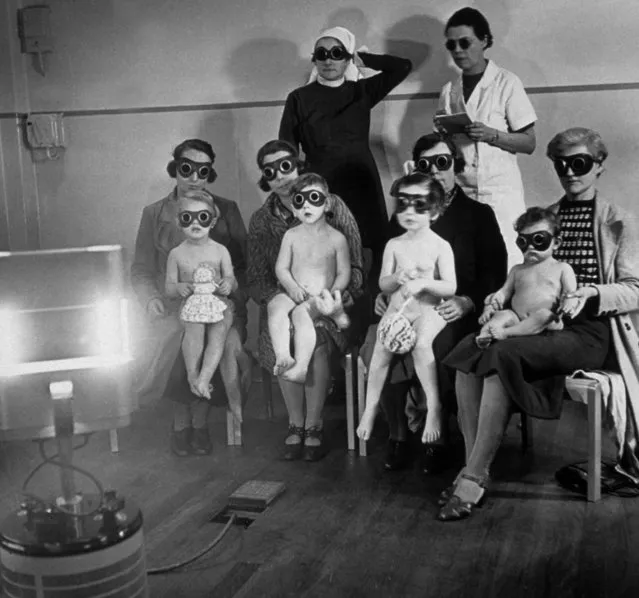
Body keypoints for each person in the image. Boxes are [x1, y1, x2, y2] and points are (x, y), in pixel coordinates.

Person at [438, 127, 639, 521]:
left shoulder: (619, 221)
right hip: (538, 326)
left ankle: (474, 477)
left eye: (579, 163)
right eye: (561, 165)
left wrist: (593, 294)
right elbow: (524, 281)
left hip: (590, 332)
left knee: (502, 353)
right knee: (469, 353)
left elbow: (634, 289)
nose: (570, 172)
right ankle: (471, 467)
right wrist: (499, 301)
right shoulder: (547, 219)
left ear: (599, 166)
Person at [361, 133, 507, 472]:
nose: (434, 171)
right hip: (404, 307)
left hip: (452, 311)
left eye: (442, 162)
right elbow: (383, 268)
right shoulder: (405, 213)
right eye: (425, 164)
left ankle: (437, 437)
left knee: (437, 343)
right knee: (376, 344)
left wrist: (468, 302)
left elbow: (495, 273)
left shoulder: (479, 214)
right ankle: (397, 434)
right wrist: (381, 296)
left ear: (456, 165)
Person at [131, 138, 250, 457]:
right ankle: (181, 423)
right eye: (187, 168)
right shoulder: (154, 213)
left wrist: (232, 297)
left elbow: (243, 267)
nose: (194, 176)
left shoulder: (227, 210)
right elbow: (141, 270)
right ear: (175, 169)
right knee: (175, 339)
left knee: (216, 339)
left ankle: (198, 424)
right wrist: (151, 299)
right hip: (171, 307)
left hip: (219, 306)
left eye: (203, 170)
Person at [247, 139, 364, 461]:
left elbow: (354, 264)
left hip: (331, 301)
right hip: (285, 299)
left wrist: (337, 299)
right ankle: (294, 424)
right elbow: (258, 276)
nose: (280, 175)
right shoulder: (262, 219)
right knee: (282, 331)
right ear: (265, 179)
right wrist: (284, 298)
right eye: (270, 172)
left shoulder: (334, 205)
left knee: (319, 341)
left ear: (299, 165)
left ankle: (313, 425)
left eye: (286, 165)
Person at [279, 25, 412, 289]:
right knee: (325, 252)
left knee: (371, 247)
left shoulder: (361, 91)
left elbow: (403, 67)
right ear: (314, 59)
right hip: (321, 184)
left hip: (361, 181)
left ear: (347, 58)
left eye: (337, 53)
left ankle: (372, 310)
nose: (328, 59)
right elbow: (287, 148)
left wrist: (365, 59)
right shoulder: (298, 98)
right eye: (322, 53)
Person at [357, 174, 456, 445]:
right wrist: (396, 280)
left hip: (428, 310)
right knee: (380, 351)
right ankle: (370, 408)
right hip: (399, 310)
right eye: (403, 204)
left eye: (419, 205)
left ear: (434, 211)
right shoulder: (394, 245)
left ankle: (434, 407)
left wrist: (424, 282)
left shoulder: (440, 246)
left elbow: (450, 286)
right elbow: (383, 283)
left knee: (422, 345)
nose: (409, 212)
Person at [435, 7, 537, 270]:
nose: (458, 50)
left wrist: (492, 135)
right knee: (466, 266)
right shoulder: (449, 91)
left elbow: (528, 142)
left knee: (505, 264)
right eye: (451, 45)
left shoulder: (506, 83)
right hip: (463, 193)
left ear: (484, 41)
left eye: (465, 42)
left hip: (500, 194)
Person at [269, 173, 351, 383]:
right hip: (294, 291)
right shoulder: (291, 235)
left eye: (314, 198)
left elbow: (344, 272)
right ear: (294, 208)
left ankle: (301, 367)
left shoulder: (337, 238)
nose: (307, 206)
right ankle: (283, 355)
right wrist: (291, 286)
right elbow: (282, 268)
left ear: (327, 204)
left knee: (299, 314)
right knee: (275, 306)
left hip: (320, 296)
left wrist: (332, 292)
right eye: (300, 200)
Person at [165, 191, 239, 415]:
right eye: (188, 218)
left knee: (220, 329)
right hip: (192, 305)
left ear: (213, 221)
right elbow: (168, 289)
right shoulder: (176, 254)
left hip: (218, 304)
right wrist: (178, 287)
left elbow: (232, 280)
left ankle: (204, 377)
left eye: (203, 217)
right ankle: (192, 376)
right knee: (194, 330)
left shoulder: (220, 250)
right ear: (179, 221)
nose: (196, 223)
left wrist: (228, 283)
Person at [475, 207, 576, 348]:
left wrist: (570, 300)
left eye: (539, 239)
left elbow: (571, 292)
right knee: (503, 314)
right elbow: (504, 292)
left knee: (543, 314)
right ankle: (485, 335)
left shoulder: (562, 268)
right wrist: (491, 306)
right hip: (518, 319)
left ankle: (506, 333)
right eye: (523, 241)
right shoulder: (517, 270)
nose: (530, 247)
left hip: (548, 322)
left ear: (556, 243)